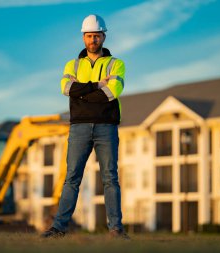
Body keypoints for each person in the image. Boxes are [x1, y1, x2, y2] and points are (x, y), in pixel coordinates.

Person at [41, 14, 128, 239]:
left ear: (103, 36)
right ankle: (58, 228)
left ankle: (116, 229)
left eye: (96, 36)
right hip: (78, 127)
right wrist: (98, 85)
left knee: (110, 177)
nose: (93, 40)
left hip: (106, 127)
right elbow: (66, 88)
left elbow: (112, 92)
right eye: (89, 36)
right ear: (83, 37)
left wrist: (83, 94)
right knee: (72, 177)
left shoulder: (116, 63)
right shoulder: (72, 64)